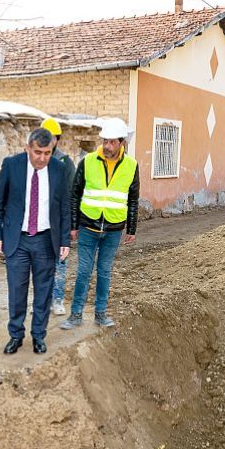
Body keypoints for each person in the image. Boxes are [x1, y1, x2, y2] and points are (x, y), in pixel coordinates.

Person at [0, 128, 71, 355]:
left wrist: (64, 239)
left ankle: (38, 336)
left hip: (46, 241)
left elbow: (64, 207)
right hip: (18, 240)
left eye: (47, 152)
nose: (43, 158)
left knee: (44, 292)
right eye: (38, 152)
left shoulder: (59, 169)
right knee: (17, 291)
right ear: (28, 148)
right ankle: (16, 335)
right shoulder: (11, 166)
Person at [60, 118, 140, 330]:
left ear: (122, 143)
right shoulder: (87, 162)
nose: (107, 146)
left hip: (114, 229)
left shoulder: (132, 166)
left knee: (104, 272)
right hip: (88, 226)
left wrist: (131, 228)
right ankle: (76, 314)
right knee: (84, 272)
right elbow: (75, 194)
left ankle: (100, 314)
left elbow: (133, 199)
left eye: (112, 142)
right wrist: (74, 225)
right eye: (105, 141)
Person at [41, 117, 77, 316]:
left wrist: (71, 225)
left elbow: (71, 195)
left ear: (57, 139)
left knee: (59, 263)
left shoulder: (65, 162)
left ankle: (58, 300)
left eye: (52, 137)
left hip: (58, 222)